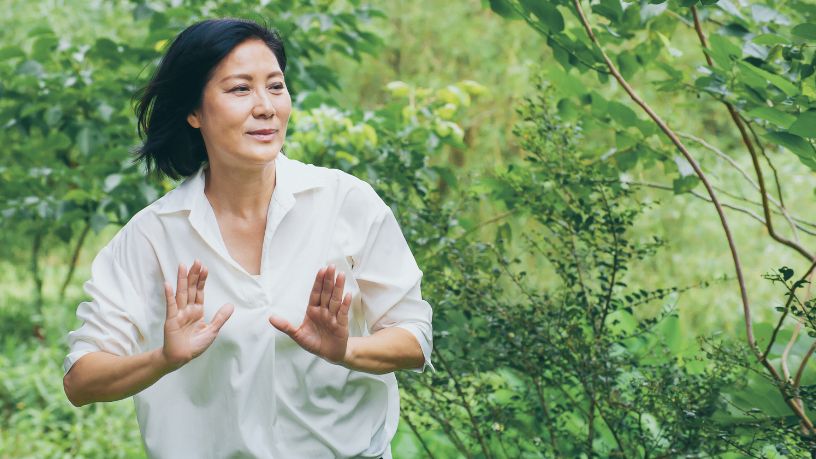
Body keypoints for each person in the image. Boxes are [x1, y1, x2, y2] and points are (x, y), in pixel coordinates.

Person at [61, 18, 433, 459]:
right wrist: (164, 358)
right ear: (194, 111)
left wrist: (345, 349)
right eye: (240, 89)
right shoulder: (151, 236)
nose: (266, 107)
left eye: (275, 86)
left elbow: (413, 337)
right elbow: (81, 380)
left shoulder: (345, 202)